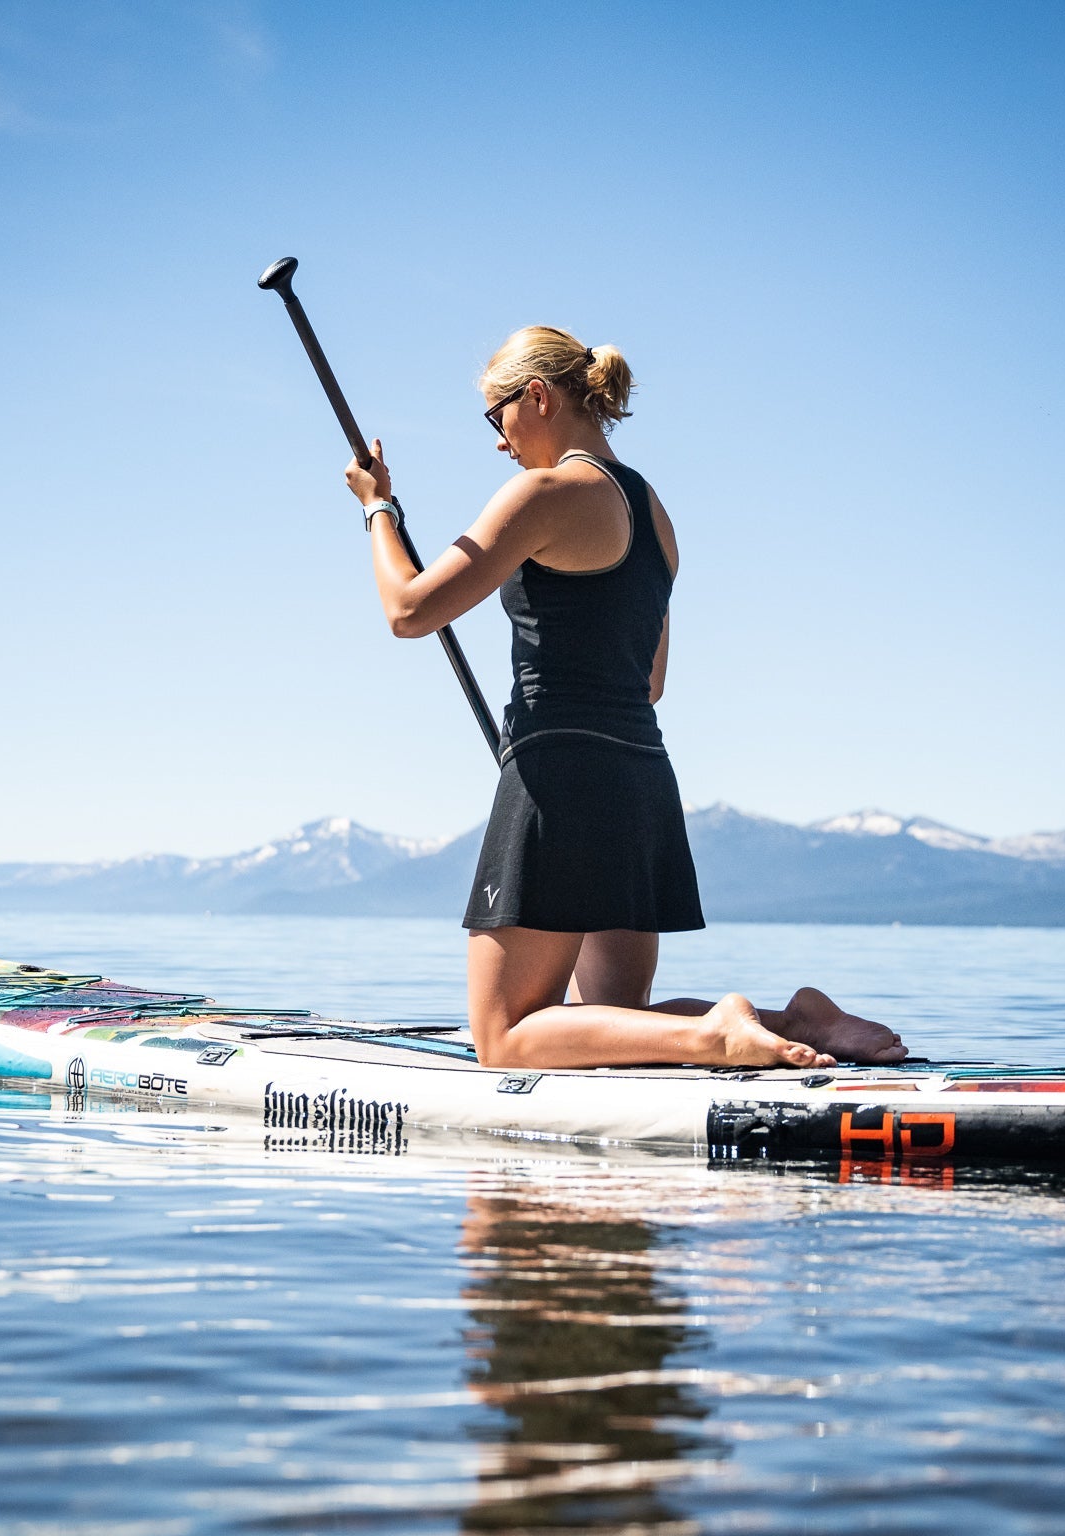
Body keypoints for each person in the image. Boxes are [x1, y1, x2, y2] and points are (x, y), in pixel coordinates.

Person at [345, 326, 904, 1071]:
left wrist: (378, 509)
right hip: (640, 776)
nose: (501, 443)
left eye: (496, 417)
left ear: (537, 397)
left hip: (562, 773)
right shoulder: (656, 517)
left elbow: (410, 610)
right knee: (616, 1024)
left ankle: (717, 1035)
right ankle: (798, 1020)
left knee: (505, 1037)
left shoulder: (544, 494)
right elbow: (652, 682)